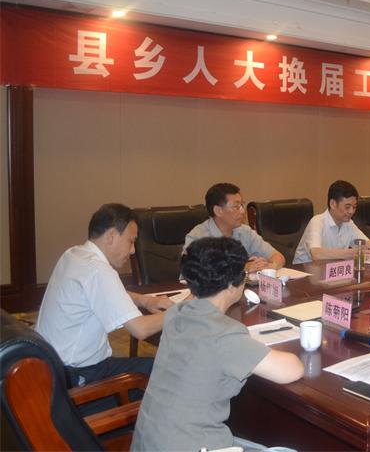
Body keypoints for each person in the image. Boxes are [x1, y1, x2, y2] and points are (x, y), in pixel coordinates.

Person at [131, 237, 303, 452]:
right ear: (233, 285)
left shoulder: (177, 313)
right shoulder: (225, 334)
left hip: (148, 442)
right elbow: (291, 370)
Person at [36, 203, 172, 389]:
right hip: (77, 377)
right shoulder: (98, 270)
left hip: (50, 366)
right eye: (131, 241)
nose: (133, 250)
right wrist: (181, 310)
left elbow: (103, 293)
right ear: (111, 236)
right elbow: (140, 329)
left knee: (155, 367)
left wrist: (145, 300)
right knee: (167, 371)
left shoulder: (74, 254)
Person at [185, 182, 285, 272]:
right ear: (218, 211)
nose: (243, 211)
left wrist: (270, 266)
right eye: (236, 207)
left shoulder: (245, 232)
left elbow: (277, 256)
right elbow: (194, 274)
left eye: (241, 205)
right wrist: (243, 268)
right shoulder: (197, 237)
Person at [293, 180, 370, 264]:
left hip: (330, 272)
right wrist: (351, 253)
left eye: (354, 207)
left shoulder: (348, 223)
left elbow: (368, 244)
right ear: (333, 204)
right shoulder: (317, 222)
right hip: (304, 275)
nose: (351, 211)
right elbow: (316, 254)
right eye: (347, 207)